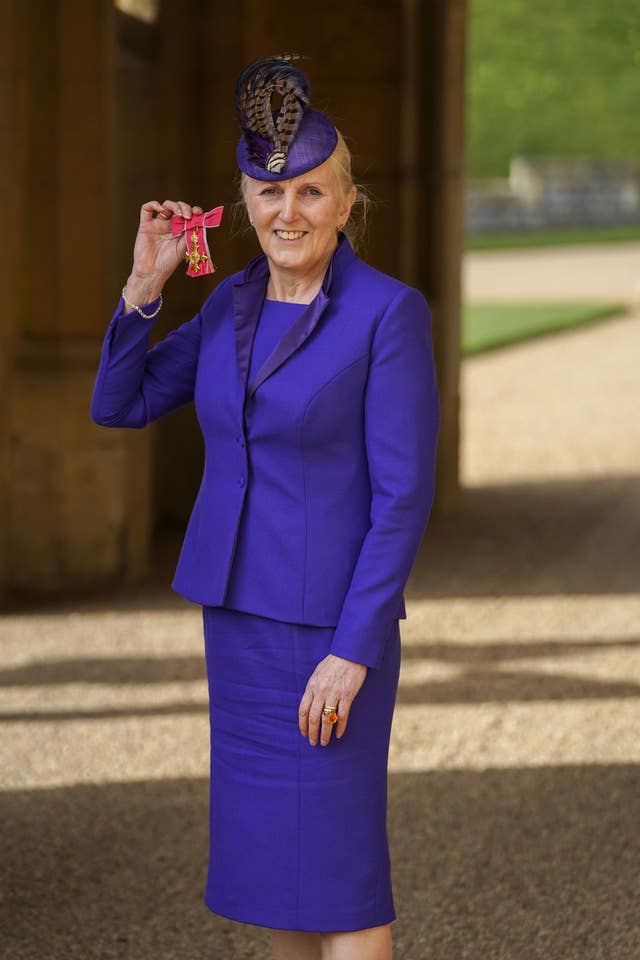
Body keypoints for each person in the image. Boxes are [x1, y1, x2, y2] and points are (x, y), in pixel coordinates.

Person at [91, 56, 440, 960]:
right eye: (269, 191)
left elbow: (402, 497)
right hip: (239, 621)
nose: (289, 213)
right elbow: (118, 404)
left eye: (311, 193)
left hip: (330, 630)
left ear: (348, 199)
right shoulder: (230, 304)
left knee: (343, 874)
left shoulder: (386, 314)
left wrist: (352, 652)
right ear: (242, 201)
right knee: (274, 875)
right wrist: (143, 290)